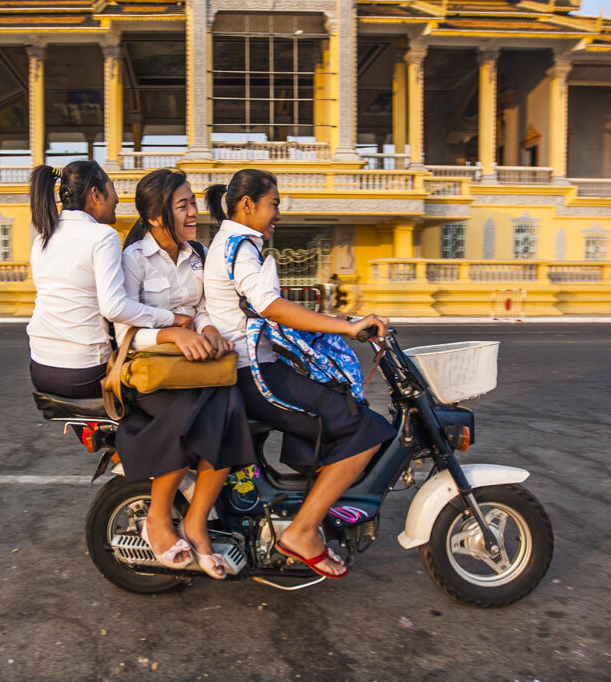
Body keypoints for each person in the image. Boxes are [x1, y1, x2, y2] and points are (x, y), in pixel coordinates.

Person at [203, 169, 395, 579]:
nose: (279, 215)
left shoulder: (236, 243)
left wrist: (344, 319)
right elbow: (271, 306)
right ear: (248, 204)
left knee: (332, 399)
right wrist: (347, 326)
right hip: (254, 374)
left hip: (254, 369)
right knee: (368, 427)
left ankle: (306, 502)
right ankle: (303, 530)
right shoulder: (239, 246)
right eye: (274, 205)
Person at [114, 168, 254, 579]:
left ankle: (195, 522)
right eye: (184, 205)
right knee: (207, 407)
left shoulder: (200, 253)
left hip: (195, 367)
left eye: (193, 202)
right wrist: (173, 334)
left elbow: (207, 306)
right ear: (156, 217)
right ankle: (158, 517)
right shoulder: (133, 260)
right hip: (154, 374)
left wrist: (208, 328)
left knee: (230, 402)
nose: (194, 211)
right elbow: (125, 332)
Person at [26, 160, 190, 400]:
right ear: (96, 194)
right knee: (163, 382)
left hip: (40, 368)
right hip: (84, 372)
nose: (117, 199)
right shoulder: (102, 236)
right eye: (112, 189)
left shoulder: (42, 236)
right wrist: (174, 319)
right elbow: (114, 307)